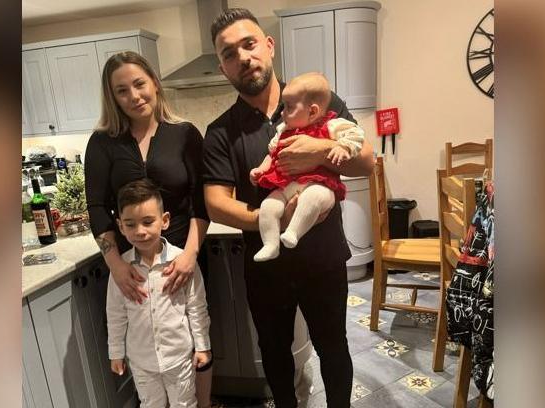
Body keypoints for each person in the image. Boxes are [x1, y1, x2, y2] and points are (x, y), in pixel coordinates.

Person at [203, 8, 375, 408]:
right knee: (274, 351)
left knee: (333, 345)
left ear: (269, 46)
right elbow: (215, 204)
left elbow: (366, 161)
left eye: (249, 44)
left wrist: (317, 151)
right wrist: (273, 218)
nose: (243, 57)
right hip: (266, 264)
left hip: (324, 256)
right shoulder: (219, 132)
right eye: (229, 53)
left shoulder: (319, 100)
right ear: (223, 67)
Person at [84, 52, 213, 407]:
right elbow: (96, 206)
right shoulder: (101, 143)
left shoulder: (184, 134)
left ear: (154, 83)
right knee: (146, 343)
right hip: (130, 265)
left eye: (139, 84)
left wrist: (189, 255)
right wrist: (116, 265)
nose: (134, 96)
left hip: (185, 255)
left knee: (194, 339)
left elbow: (200, 200)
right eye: (122, 90)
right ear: (113, 97)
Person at [107, 179, 211, 408]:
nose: (140, 231)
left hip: (179, 358)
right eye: (130, 224)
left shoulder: (181, 261)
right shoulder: (122, 270)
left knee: (184, 404)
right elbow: (115, 314)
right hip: (141, 361)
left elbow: (196, 306)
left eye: (147, 222)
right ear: (120, 226)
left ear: (164, 221)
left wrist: (203, 345)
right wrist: (116, 352)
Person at [250, 72, 364, 262]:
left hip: (320, 184)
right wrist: (261, 169)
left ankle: (294, 231)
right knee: (268, 206)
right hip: (287, 185)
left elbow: (356, 135)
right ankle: (271, 244)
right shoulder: (283, 131)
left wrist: (342, 146)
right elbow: (272, 153)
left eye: (289, 107)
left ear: (312, 111)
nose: (283, 113)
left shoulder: (332, 125)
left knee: (314, 197)